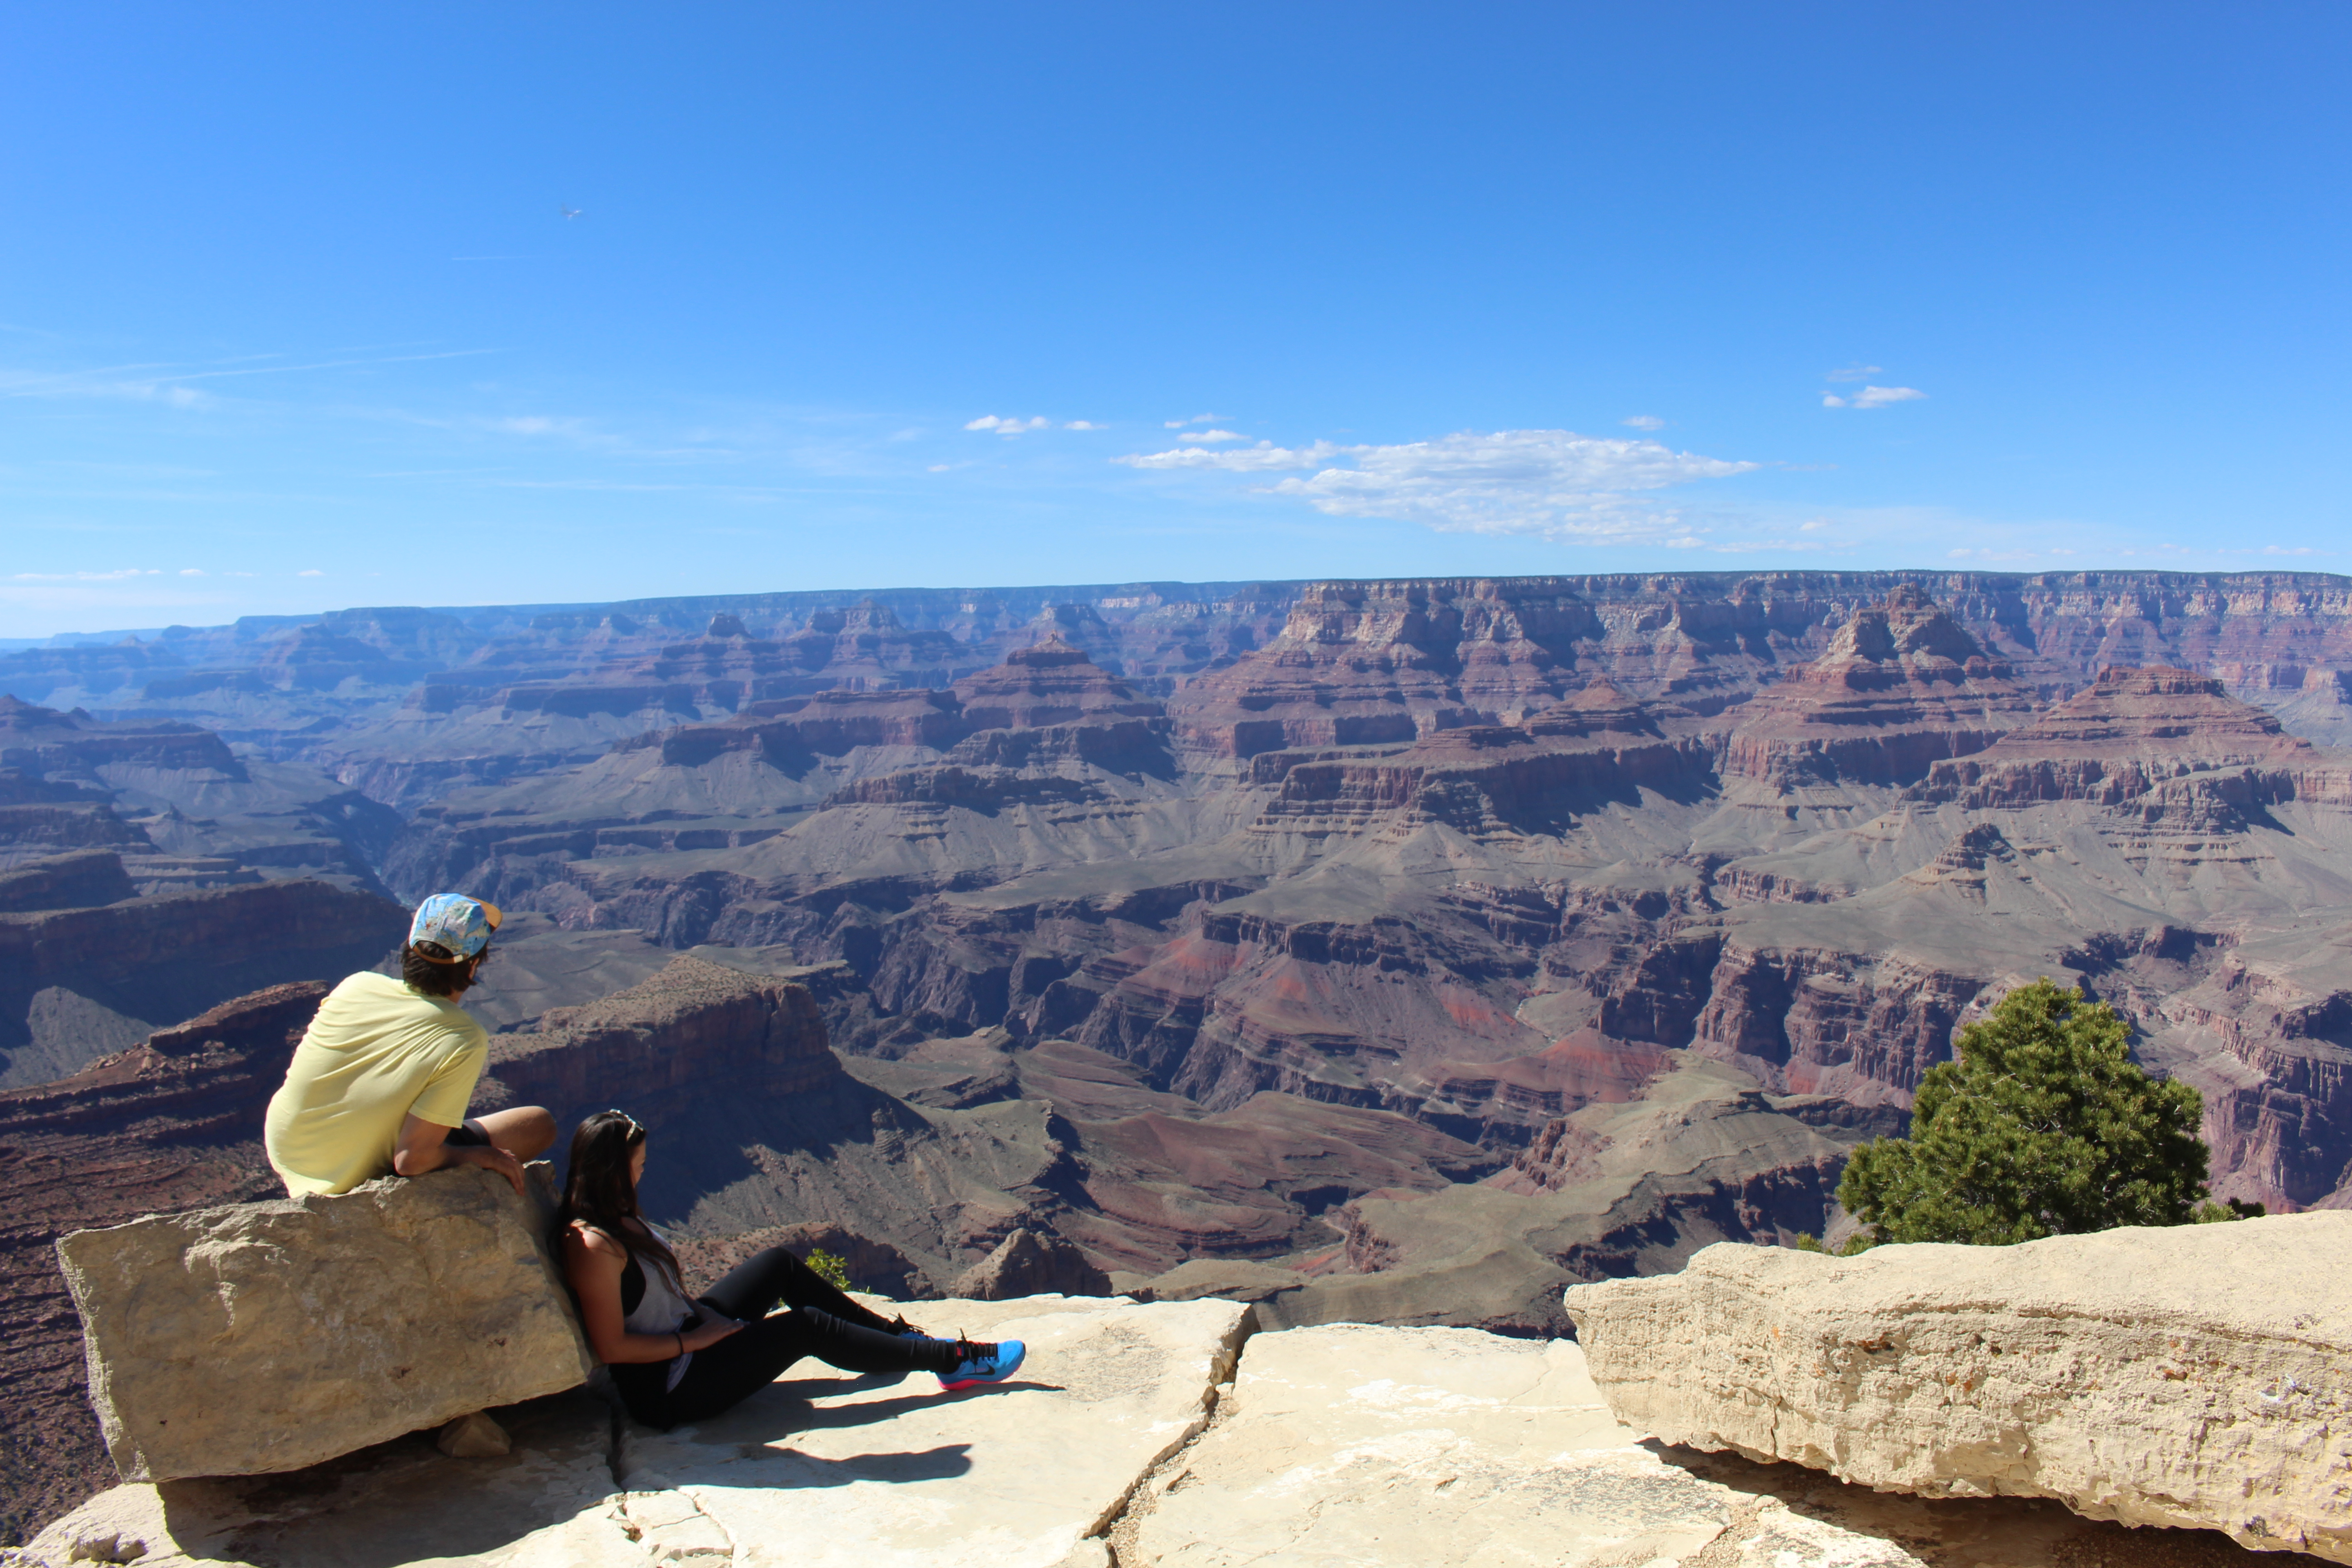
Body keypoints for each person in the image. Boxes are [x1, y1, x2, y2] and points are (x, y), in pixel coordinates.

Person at [556, 1110, 1025, 1429]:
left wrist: (703, 1318)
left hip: (687, 1332)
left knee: (778, 1264)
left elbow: (655, 1297)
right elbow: (611, 1347)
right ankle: (953, 1362)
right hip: (669, 1387)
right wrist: (693, 1340)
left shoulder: (617, 1213)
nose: (644, 1173)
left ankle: (901, 1341)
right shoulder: (594, 1245)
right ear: (612, 1171)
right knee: (805, 1328)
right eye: (637, 1166)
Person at [264, 892, 556, 1197]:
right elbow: (411, 1161)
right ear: (472, 966)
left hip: (286, 1146)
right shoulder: (463, 1038)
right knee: (537, 1125)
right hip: (337, 1180)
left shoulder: (356, 984)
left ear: (411, 948)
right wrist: (478, 1156)